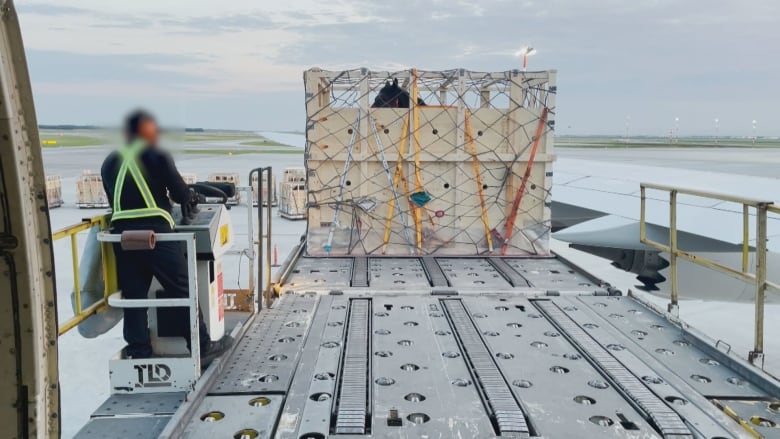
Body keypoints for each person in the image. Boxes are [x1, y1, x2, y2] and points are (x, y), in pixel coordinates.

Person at [101, 110, 226, 361]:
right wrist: (192, 196)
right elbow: (180, 194)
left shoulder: (109, 162)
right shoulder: (156, 155)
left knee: (134, 298)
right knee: (182, 290)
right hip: (156, 236)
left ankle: (139, 352)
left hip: (122, 238)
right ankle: (201, 347)